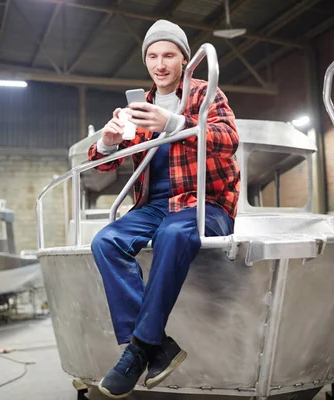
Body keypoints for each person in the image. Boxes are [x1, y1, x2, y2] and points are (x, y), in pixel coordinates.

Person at [88, 19, 240, 398]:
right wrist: (107, 142)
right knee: (105, 241)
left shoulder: (206, 93)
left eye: (169, 55)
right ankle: (157, 346)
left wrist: (174, 123)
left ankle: (138, 349)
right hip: (154, 205)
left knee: (174, 233)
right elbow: (101, 166)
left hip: (206, 202)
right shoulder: (141, 106)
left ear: (185, 60)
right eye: (153, 56)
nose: (160, 64)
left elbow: (228, 139)